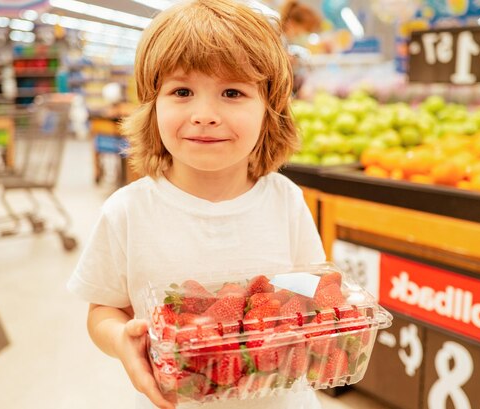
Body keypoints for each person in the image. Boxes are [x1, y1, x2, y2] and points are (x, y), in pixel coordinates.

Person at [67, 1, 325, 408]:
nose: (205, 115)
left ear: (270, 109)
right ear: (152, 106)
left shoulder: (285, 200)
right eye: (182, 91)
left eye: (233, 92)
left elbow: (312, 291)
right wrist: (121, 340)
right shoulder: (128, 212)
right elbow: (103, 310)